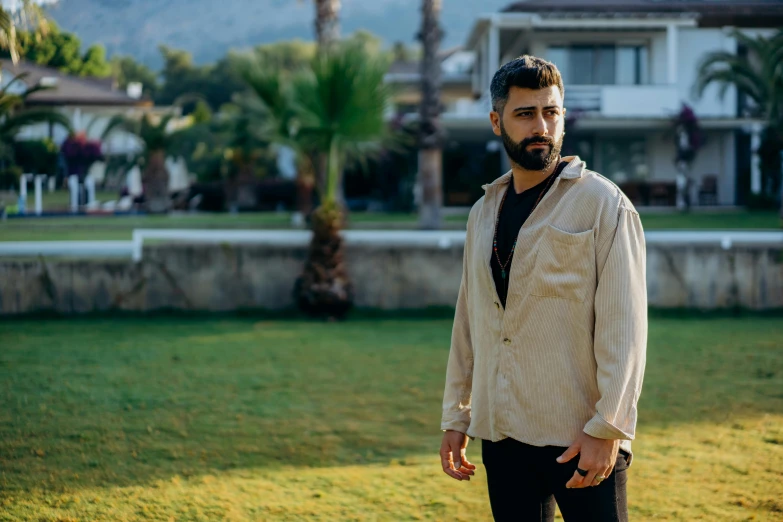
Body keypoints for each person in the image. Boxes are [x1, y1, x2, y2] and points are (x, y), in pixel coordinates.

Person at [439, 55, 647, 522]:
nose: (541, 126)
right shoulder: (482, 213)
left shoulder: (603, 204)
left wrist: (608, 428)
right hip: (503, 434)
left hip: (580, 437)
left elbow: (625, 327)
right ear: (497, 122)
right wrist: (457, 416)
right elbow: (469, 321)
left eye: (551, 112)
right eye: (525, 114)